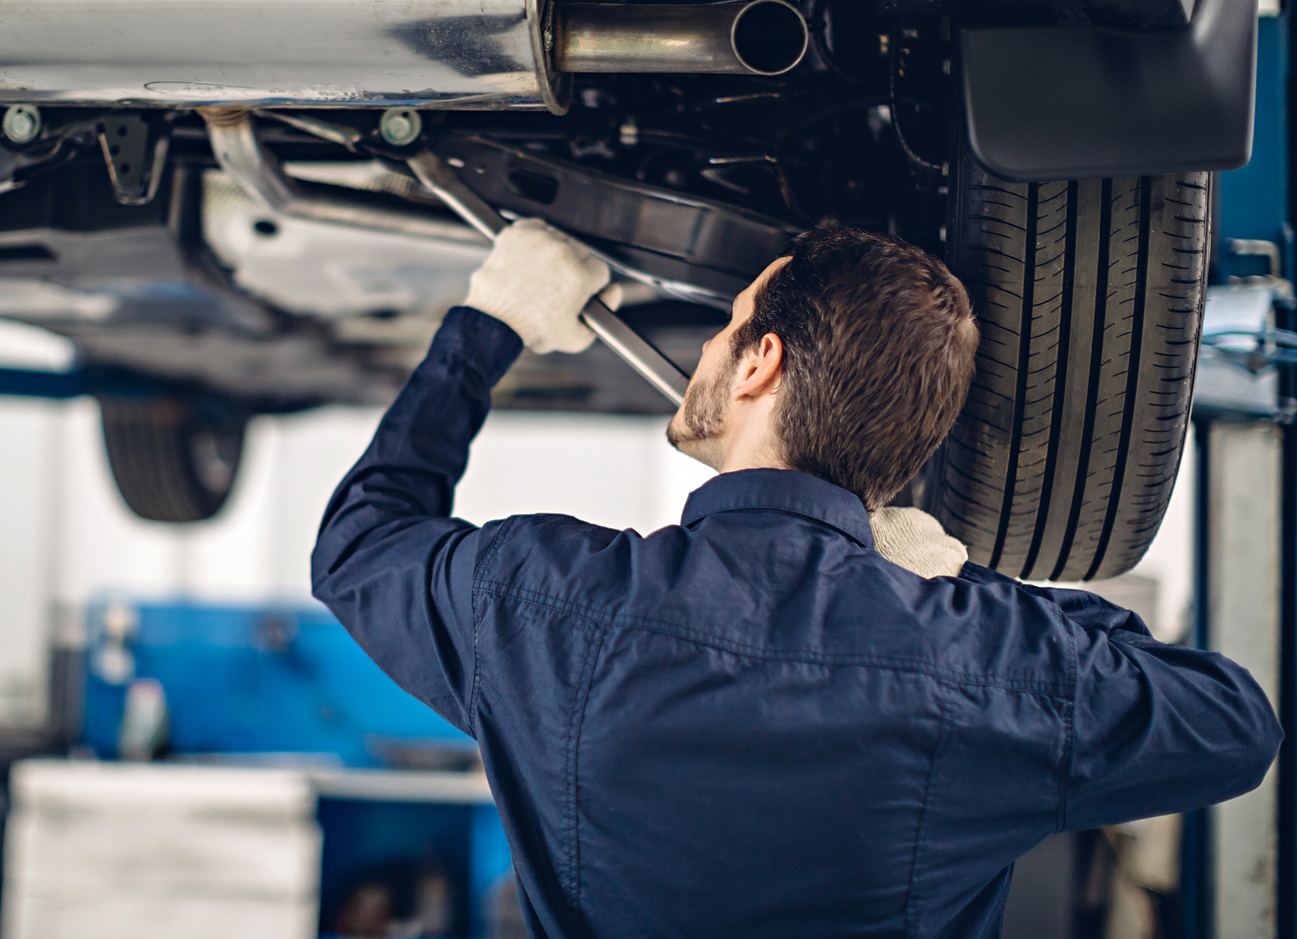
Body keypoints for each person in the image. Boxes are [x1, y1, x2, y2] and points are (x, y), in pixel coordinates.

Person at [311, 220, 1280, 938]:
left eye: (726, 325)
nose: (706, 346)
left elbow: (358, 543)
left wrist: (490, 323)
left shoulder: (545, 603)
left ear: (759, 364)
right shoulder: (975, 664)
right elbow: (1235, 724)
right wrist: (968, 593)